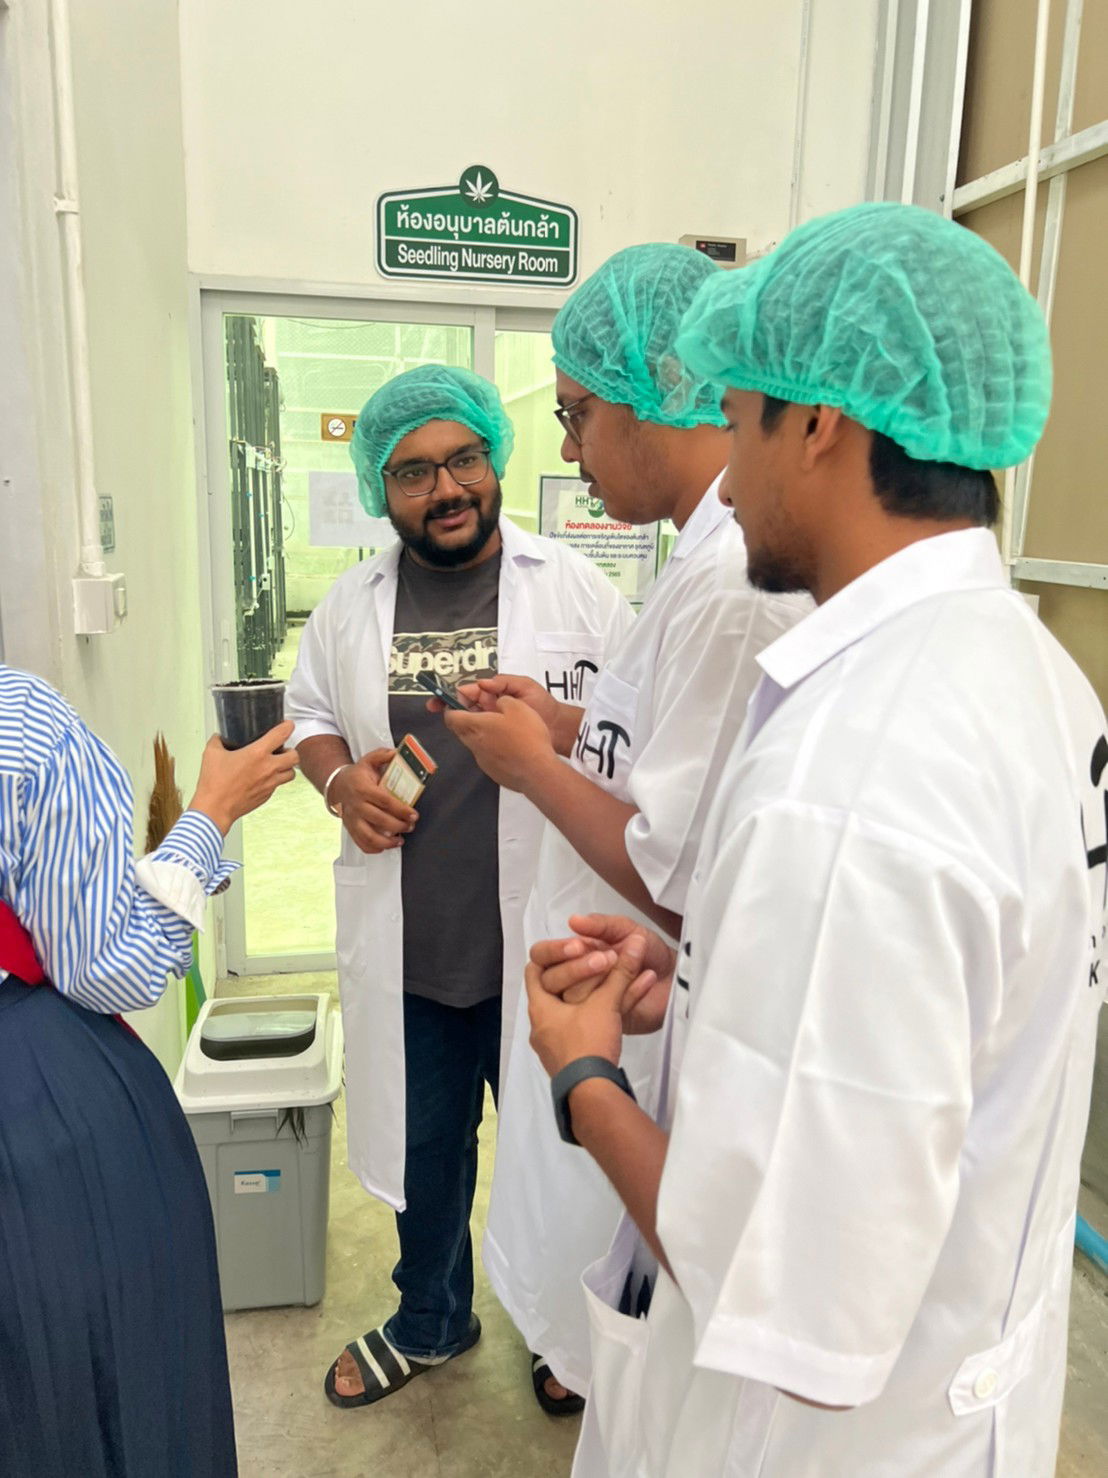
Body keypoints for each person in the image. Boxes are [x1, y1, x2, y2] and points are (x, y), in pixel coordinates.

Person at [523, 201, 1107, 1476]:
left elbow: (768, 1273)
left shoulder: (855, 770)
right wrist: (713, 966)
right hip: (967, 1386)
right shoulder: (1035, 679)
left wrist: (583, 1074)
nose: (728, 473)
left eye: (736, 421)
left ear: (820, 422)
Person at [441, 243, 809, 1404]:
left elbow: (675, 867)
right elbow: (658, 756)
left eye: (575, 414)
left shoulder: (729, 582)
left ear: (658, 393)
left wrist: (528, 768)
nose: (565, 451)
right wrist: (561, 724)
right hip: (604, 975)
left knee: (627, 1307)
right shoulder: (695, 560)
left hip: (636, 1001)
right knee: (587, 1279)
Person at [283, 365, 632, 1411]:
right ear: (378, 488)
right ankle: (430, 1317)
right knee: (428, 1157)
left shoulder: (576, 590)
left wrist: (560, 736)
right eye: (413, 471)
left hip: (547, 946)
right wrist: (340, 778)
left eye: (463, 458)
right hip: (416, 952)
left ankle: (558, 1329)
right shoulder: (349, 606)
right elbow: (308, 715)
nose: (446, 487)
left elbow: (638, 741)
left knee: (563, 1159)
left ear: (493, 458)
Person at [0, 662, 297, 1478]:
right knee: (104, 1388)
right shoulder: (21, 722)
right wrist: (211, 813)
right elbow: (108, 966)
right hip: (39, 1110)